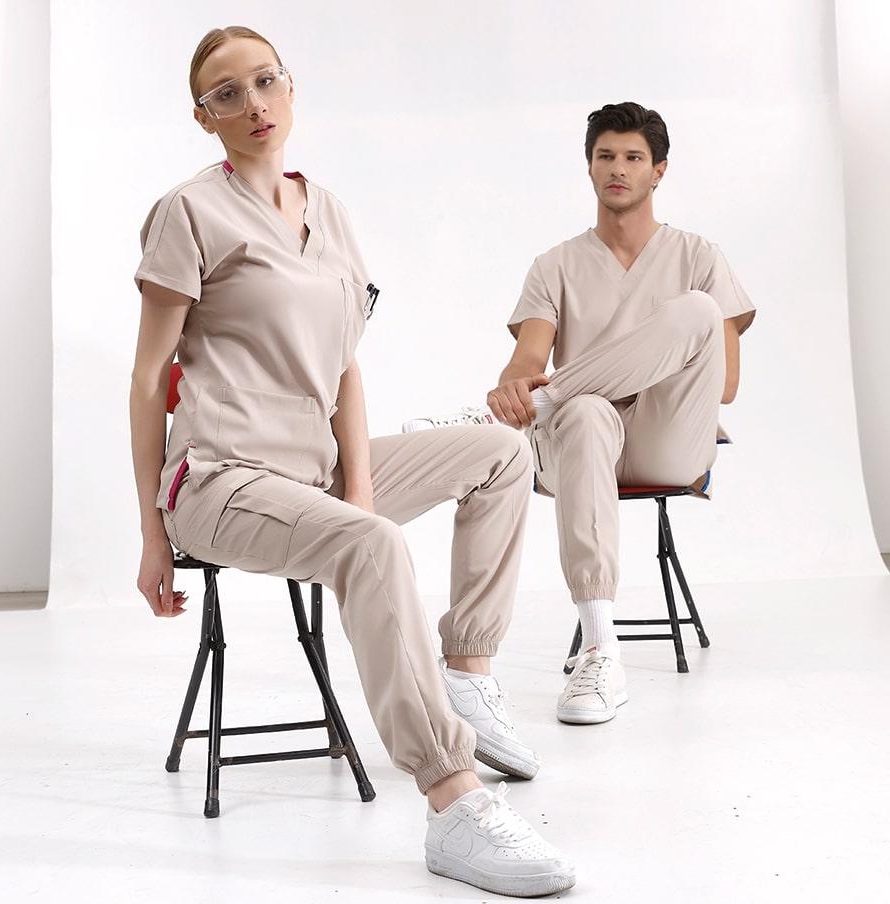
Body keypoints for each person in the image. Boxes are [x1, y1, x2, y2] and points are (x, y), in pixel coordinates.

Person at [128, 25, 575, 898]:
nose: (254, 104)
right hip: (220, 481)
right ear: (203, 117)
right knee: (372, 546)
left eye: (266, 81)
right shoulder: (187, 213)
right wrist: (152, 533)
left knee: (498, 452)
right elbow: (149, 379)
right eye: (228, 94)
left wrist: (360, 488)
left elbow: (344, 368)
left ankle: (466, 675)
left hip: (316, 474)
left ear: (290, 89)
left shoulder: (326, 210)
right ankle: (453, 802)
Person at [405, 101, 756, 725]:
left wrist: (547, 397)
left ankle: (515, 413)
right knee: (590, 410)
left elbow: (724, 384)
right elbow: (526, 360)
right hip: (582, 444)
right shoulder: (556, 266)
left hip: (671, 438)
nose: (618, 168)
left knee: (698, 310)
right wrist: (519, 391)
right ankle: (600, 651)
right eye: (605, 156)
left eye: (633, 158)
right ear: (589, 166)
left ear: (659, 171)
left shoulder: (699, 255)